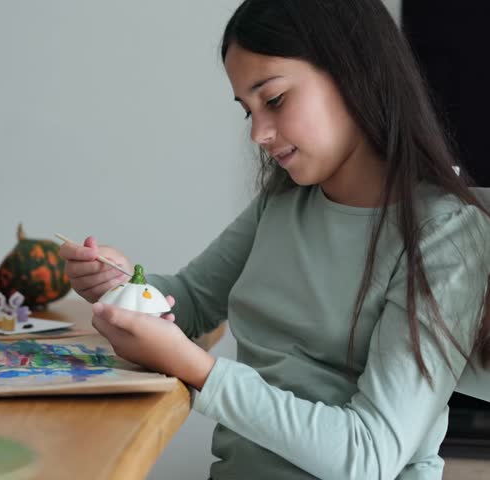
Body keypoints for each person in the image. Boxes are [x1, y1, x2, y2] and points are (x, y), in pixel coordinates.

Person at [57, 1, 490, 478]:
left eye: (275, 100)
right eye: (248, 110)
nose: (258, 133)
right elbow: (193, 302)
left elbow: (369, 455)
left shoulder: (445, 232)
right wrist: (118, 286)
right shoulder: (285, 200)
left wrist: (201, 371)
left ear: (354, 72)